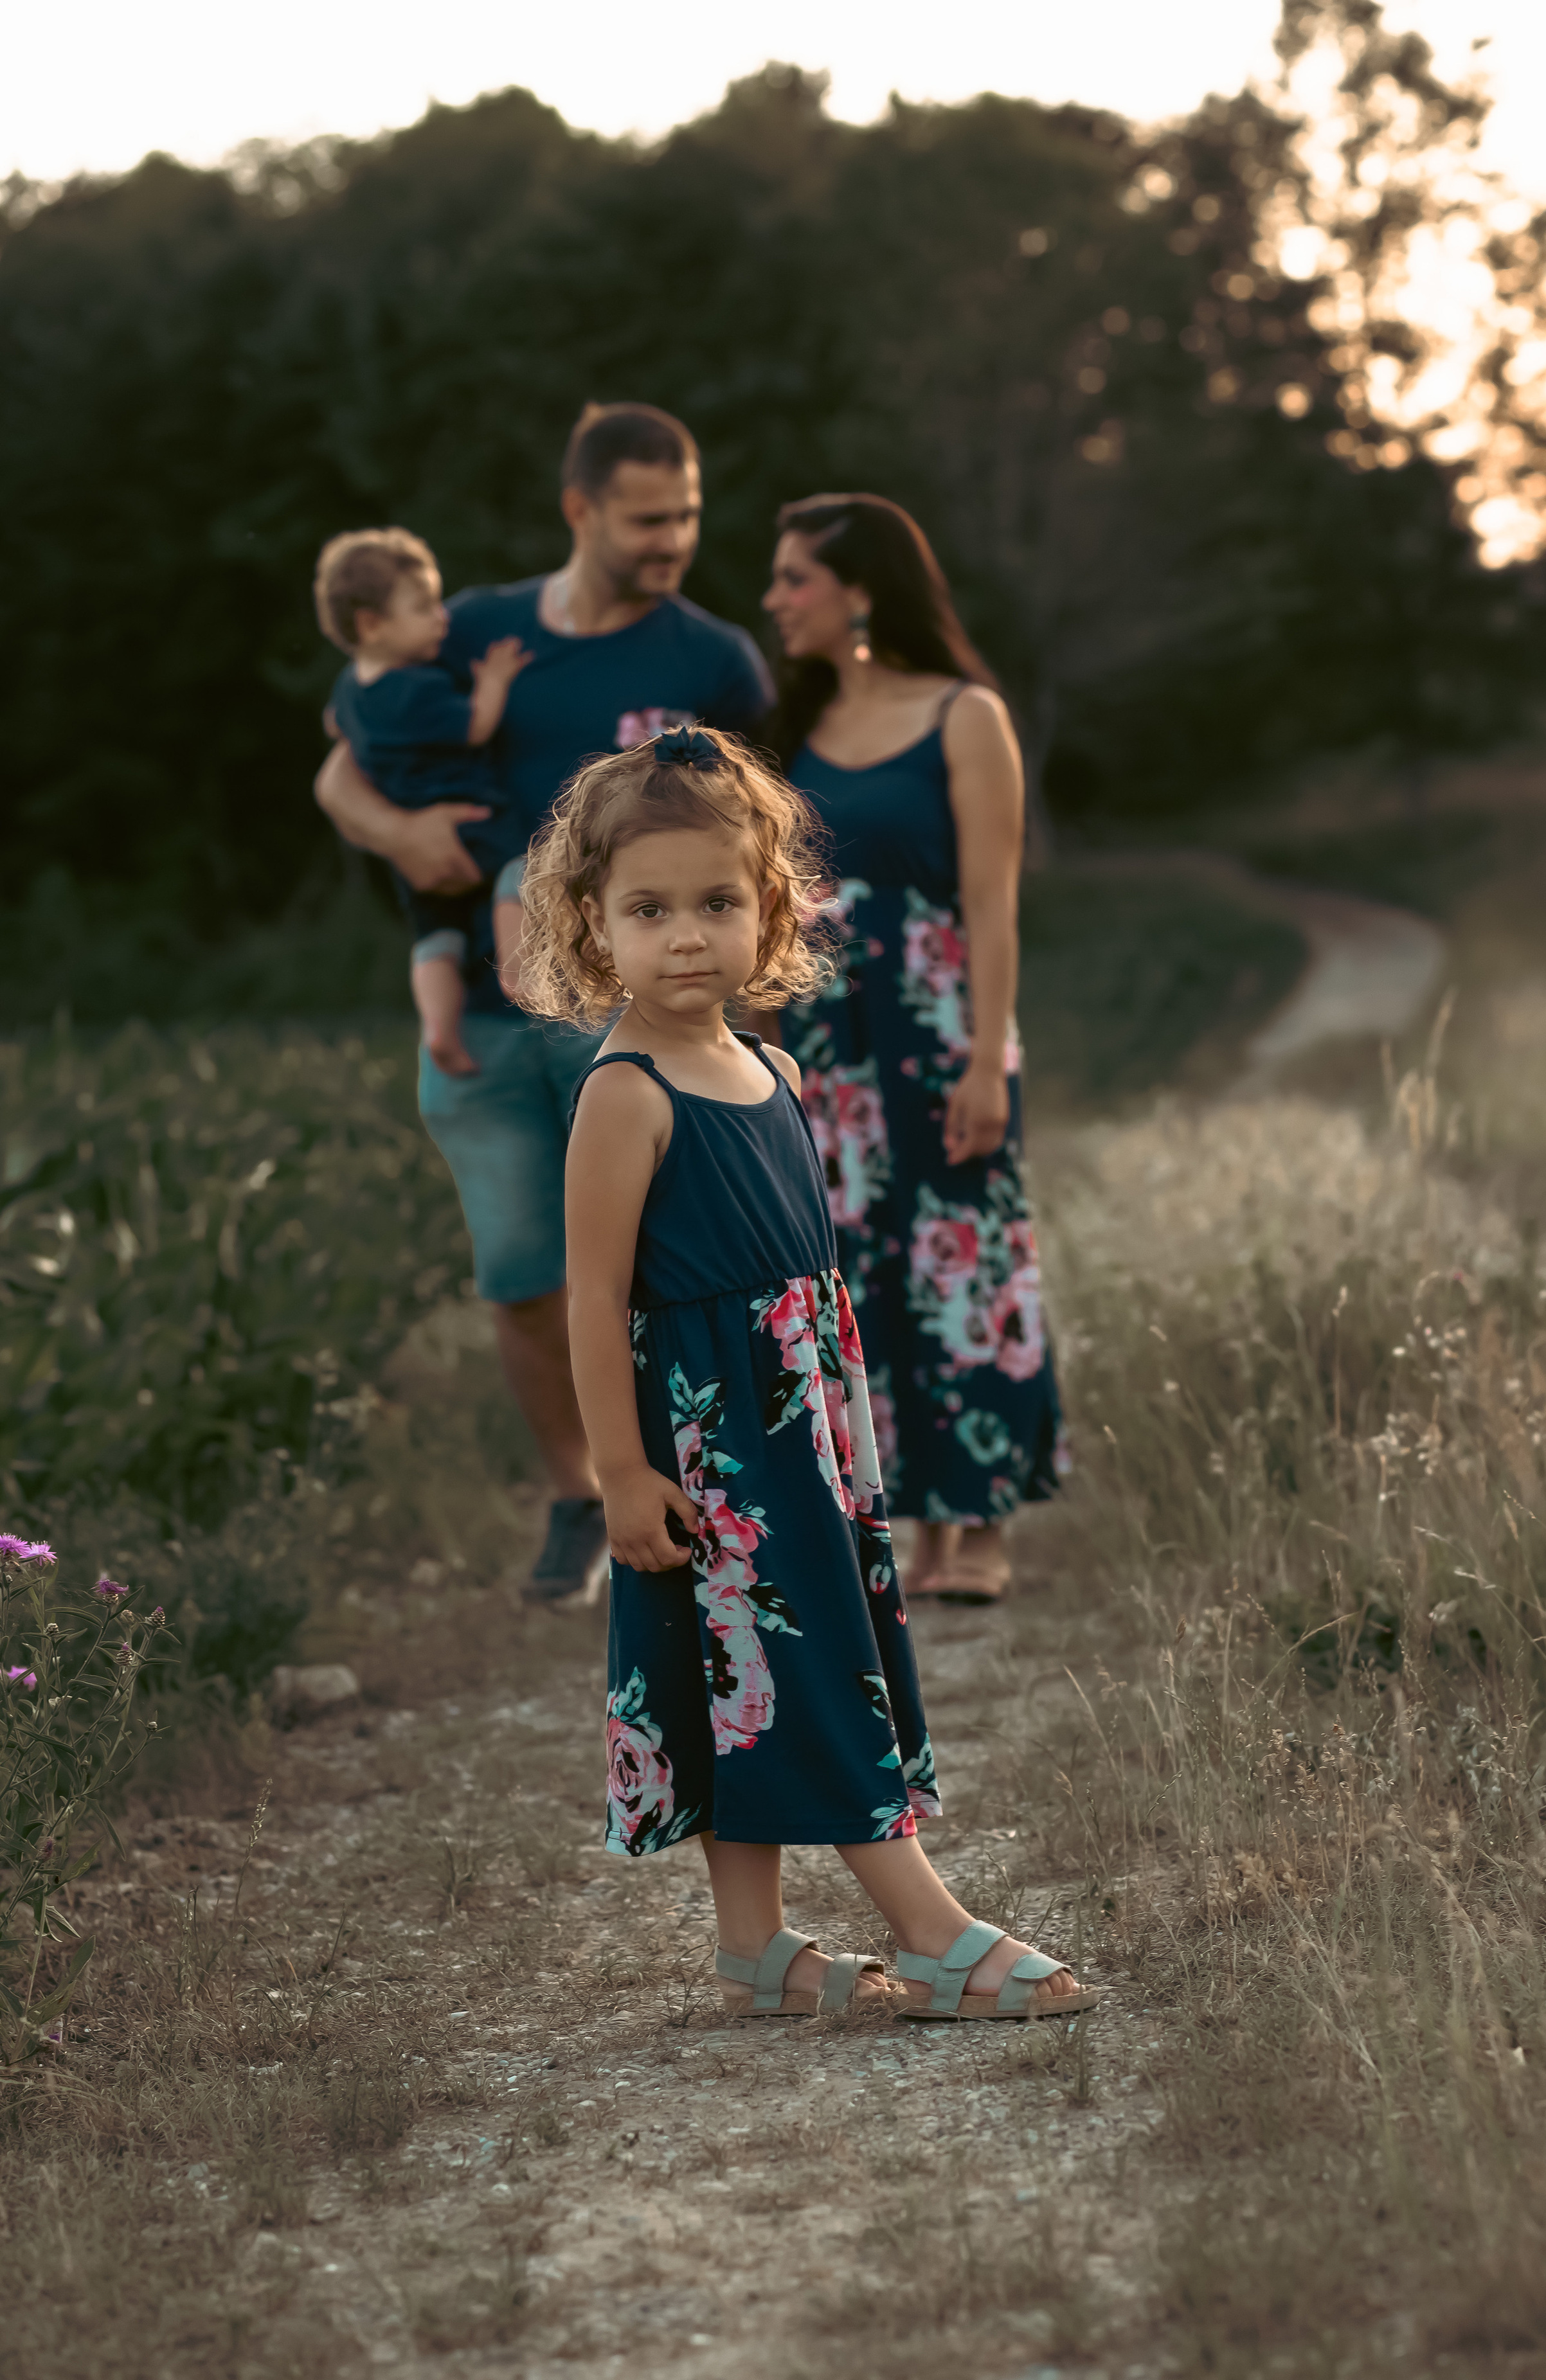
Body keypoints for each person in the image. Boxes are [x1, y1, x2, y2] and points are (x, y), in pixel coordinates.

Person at [511, 720, 1096, 2020]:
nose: (683, 936)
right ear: (592, 923)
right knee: (806, 1668)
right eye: (647, 909)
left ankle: (753, 1944)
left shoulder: (772, 1067)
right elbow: (596, 1298)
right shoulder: (623, 1092)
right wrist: (617, 1473)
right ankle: (929, 1923)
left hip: (805, 1435)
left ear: (768, 909)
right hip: (714, 1449)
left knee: (752, 1677)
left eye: (717, 903)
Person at [313, 404, 771, 1602]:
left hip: (631, 1022)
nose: (674, 538)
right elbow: (335, 759)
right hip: (477, 1006)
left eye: (688, 513)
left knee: (664, 1264)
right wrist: (401, 833)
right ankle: (576, 1494)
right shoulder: (473, 630)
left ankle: (690, 1493)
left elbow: (758, 838)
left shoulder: (714, 662)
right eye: (647, 517)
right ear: (581, 510)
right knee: (521, 1272)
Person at [762, 494, 1066, 1606]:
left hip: (941, 1028)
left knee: (965, 1255)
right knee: (856, 1271)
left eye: (795, 577)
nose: (775, 599)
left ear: (861, 589)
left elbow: (992, 902)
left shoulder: (963, 714)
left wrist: (989, 1059)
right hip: (825, 1039)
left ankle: (978, 1522)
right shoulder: (791, 731)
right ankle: (905, 1528)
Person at [314, 525, 532, 1078]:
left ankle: (439, 1028)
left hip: (412, 855)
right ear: (372, 624)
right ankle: (517, 968)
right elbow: (477, 726)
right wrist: (496, 680)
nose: (442, 617)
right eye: (423, 606)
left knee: (437, 935)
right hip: (469, 818)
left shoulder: (349, 691)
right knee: (522, 868)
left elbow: (337, 728)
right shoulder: (418, 688)